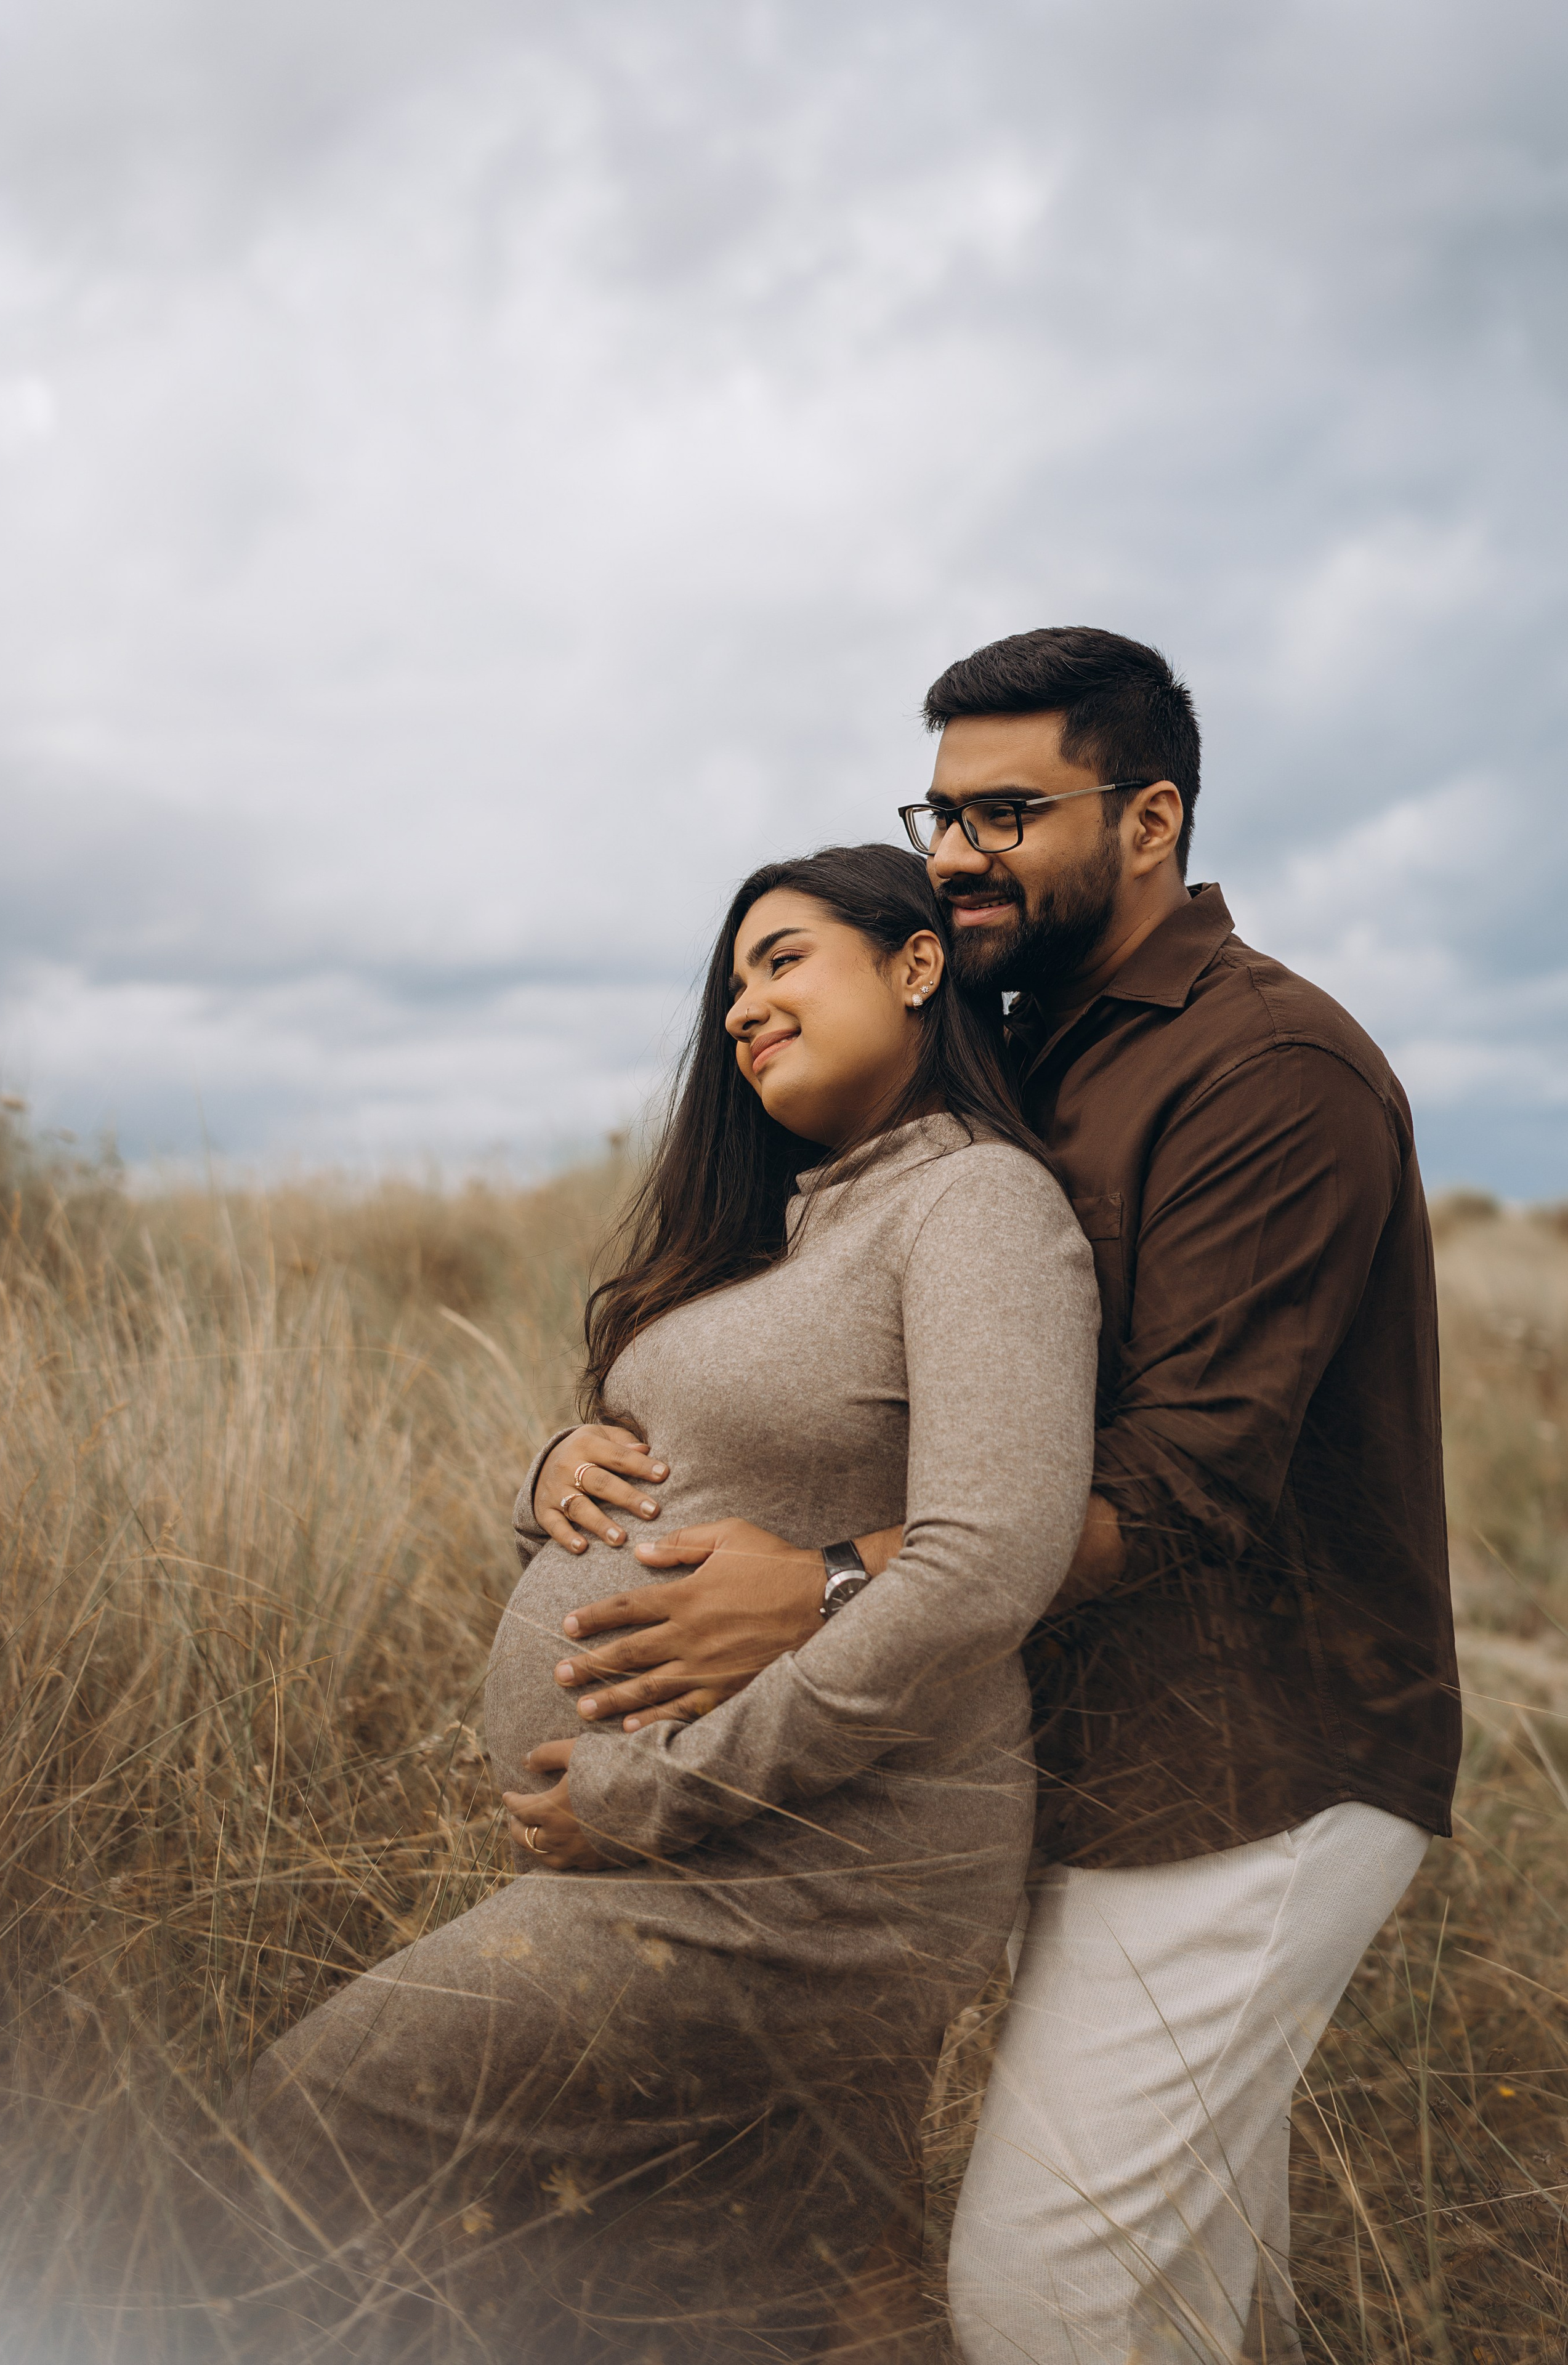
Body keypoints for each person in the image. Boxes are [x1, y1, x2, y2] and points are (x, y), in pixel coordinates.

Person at [535, 628, 1462, 2364]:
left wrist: (822, 1587)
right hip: (1075, 1758)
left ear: (1150, 817)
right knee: (1191, 2305)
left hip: (1253, 1767)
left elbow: (1191, 1481)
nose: (959, 852)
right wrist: (567, 1459)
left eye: (1011, 811)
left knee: (1043, 2293)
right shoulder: (1008, 1057)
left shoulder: (1270, 1071)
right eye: (940, 811)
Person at [244, 843, 1099, 2363]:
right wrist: (555, 1467)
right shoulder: (800, 1220)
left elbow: (985, 1569)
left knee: (317, 2114)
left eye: (781, 961)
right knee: (774, 2299)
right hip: (700, 1852)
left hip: (809, 1875)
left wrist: (655, 1793)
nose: (742, 1009)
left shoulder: (973, 1202)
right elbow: (700, 1459)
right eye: (729, 986)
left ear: (914, 964)